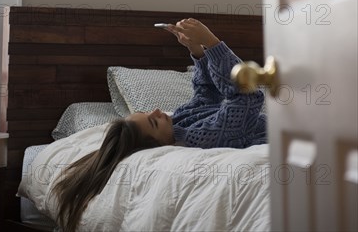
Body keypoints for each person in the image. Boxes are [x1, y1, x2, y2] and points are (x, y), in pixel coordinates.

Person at [52, 19, 267, 232]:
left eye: (146, 113)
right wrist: (212, 43)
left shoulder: (179, 122)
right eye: (153, 121)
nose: (156, 111)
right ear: (161, 143)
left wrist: (196, 49)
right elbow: (247, 97)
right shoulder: (200, 137)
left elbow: (205, 95)